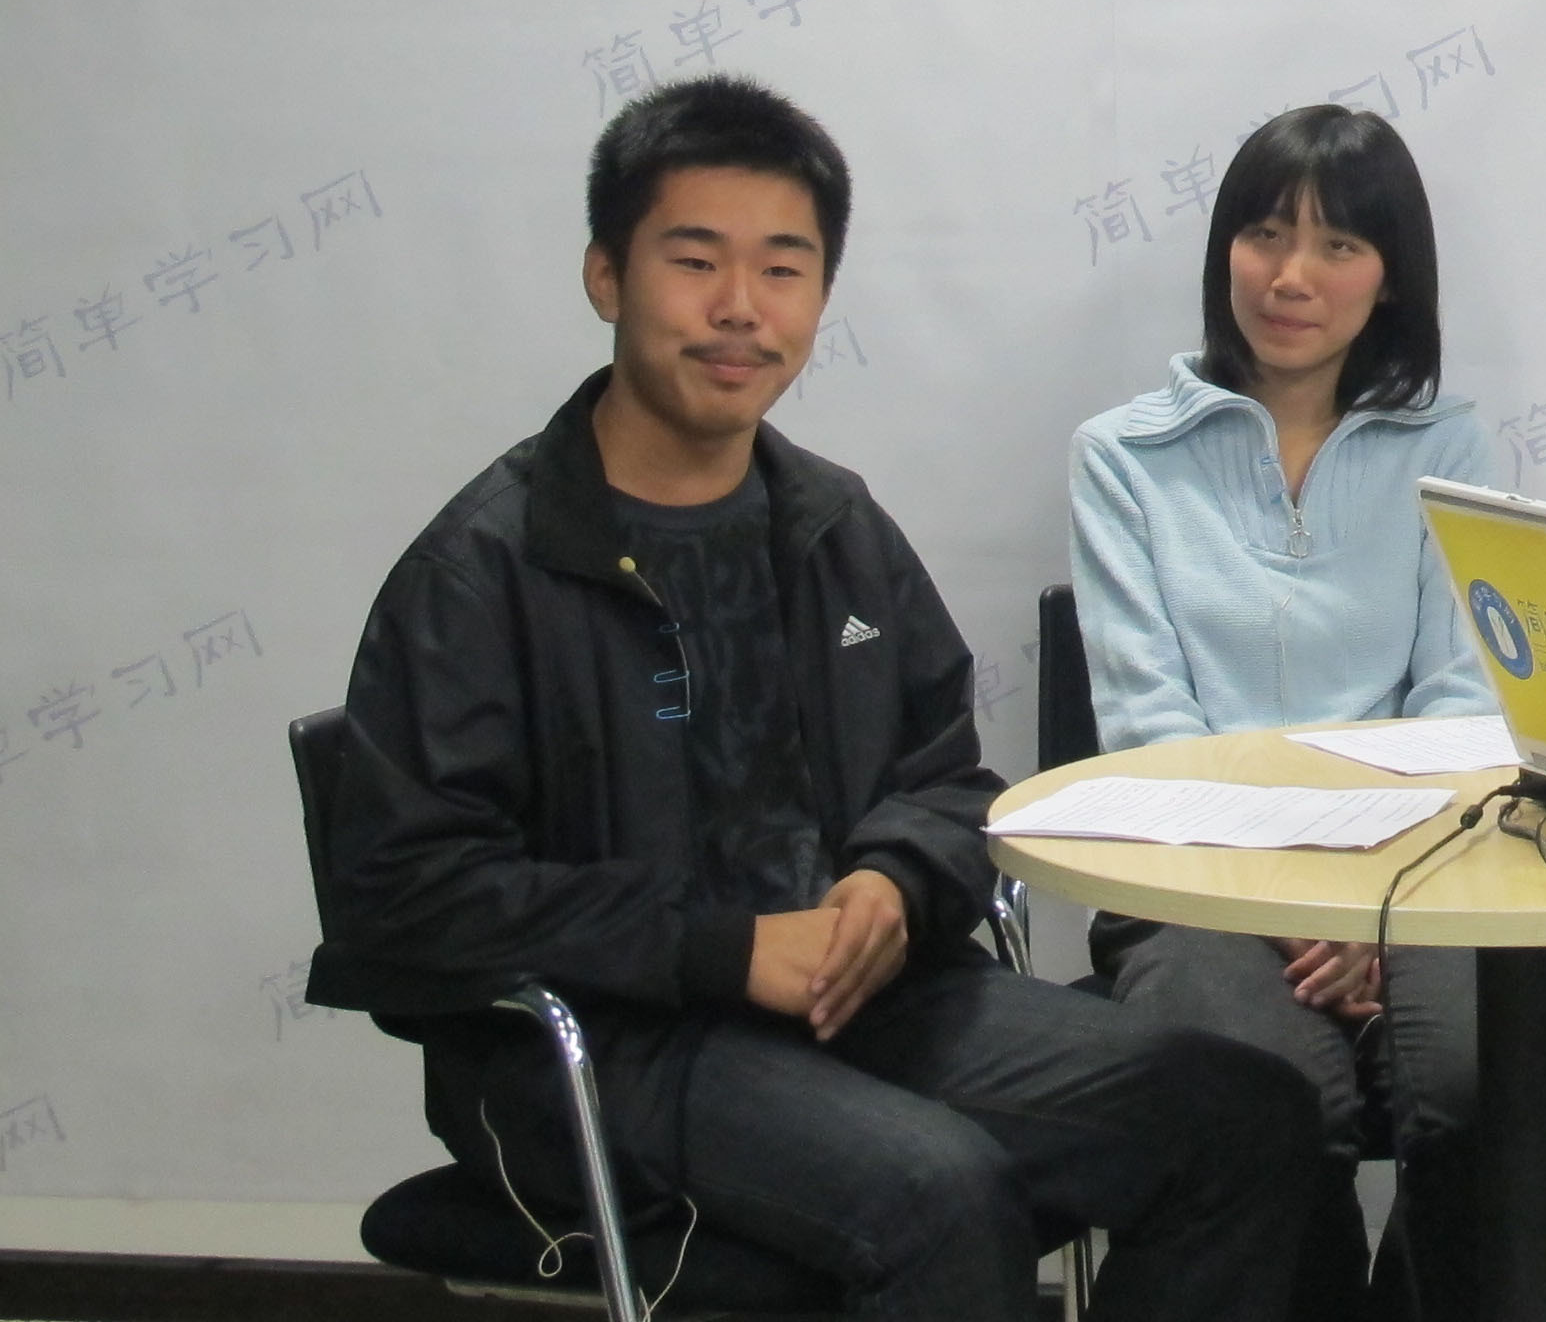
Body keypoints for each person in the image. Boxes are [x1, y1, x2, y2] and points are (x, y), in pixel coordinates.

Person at [307, 75, 1311, 1321]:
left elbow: (947, 778)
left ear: (821, 297)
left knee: (1244, 1115)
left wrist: (892, 883)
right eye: (695, 262)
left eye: (783, 269)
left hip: (866, 1005)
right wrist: (722, 949)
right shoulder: (485, 571)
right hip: (611, 1049)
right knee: (939, 1194)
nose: (741, 307)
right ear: (607, 277)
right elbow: (407, 896)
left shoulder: (833, 526)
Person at [1069, 104, 1496, 1320]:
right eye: (1264, 235)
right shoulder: (1124, 456)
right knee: (1272, 1099)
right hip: (1189, 881)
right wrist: (1284, 902)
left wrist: (1373, 906)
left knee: (1478, 1088)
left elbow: (1461, 704)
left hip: (1414, 881)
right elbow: (1150, 725)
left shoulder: (1451, 449)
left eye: (1337, 246)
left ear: (1391, 278)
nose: (1291, 277)